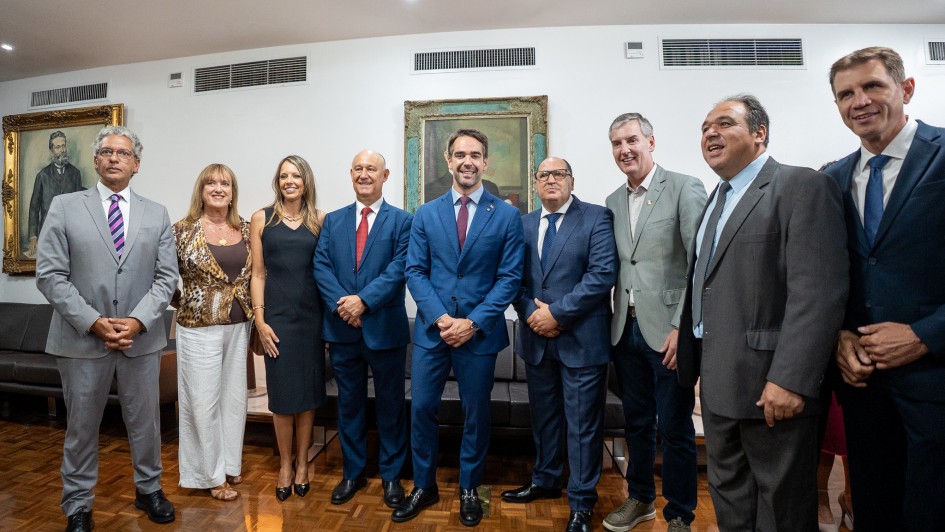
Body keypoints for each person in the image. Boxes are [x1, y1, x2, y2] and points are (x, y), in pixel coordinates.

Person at [675, 95, 848, 531]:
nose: (710, 133)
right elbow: (707, 285)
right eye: (705, 127)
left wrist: (790, 379)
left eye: (724, 123)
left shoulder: (801, 186)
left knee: (781, 511)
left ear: (759, 133)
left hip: (772, 389)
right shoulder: (717, 197)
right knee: (730, 501)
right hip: (718, 386)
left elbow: (817, 293)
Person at [823, 46, 945, 532]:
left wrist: (924, 335)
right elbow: (828, 275)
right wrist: (838, 335)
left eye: (872, 86)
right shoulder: (832, 179)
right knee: (874, 512)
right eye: (845, 94)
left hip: (936, 380)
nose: (859, 101)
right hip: (863, 388)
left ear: (906, 89)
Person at [35, 125, 178, 531]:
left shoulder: (157, 213)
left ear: (136, 164)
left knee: (146, 423)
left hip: (140, 340)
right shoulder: (64, 206)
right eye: (107, 152)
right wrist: (93, 322)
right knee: (81, 428)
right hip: (81, 341)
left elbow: (166, 277)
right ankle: (78, 504)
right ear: (96, 161)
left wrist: (137, 320)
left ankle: (149, 489)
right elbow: (50, 275)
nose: (115, 158)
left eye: (123, 153)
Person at [396, 128, 524, 526]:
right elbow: (415, 271)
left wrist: (472, 322)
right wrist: (441, 318)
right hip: (432, 332)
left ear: (486, 162)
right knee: (422, 409)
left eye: (475, 155)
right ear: (449, 161)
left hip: (479, 335)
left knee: (476, 414)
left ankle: (470, 487)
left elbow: (510, 277)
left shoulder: (506, 215)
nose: (467, 161)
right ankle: (424, 485)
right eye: (460, 155)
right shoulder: (426, 213)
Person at [602, 113, 706, 532]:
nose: (624, 150)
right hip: (623, 331)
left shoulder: (683, 187)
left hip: (668, 332)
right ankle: (640, 498)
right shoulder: (612, 201)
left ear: (651, 142)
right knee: (637, 423)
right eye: (616, 143)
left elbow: (700, 264)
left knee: (675, 427)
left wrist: (683, 328)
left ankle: (679, 514)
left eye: (631, 140)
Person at [502, 157, 617, 532]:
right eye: (544, 175)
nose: (551, 180)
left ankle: (582, 504)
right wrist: (531, 315)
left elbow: (602, 275)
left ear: (572, 180)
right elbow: (513, 279)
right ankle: (545, 479)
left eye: (559, 174)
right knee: (545, 419)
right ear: (536, 183)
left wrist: (557, 314)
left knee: (583, 426)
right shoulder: (523, 224)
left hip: (582, 340)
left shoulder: (597, 217)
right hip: (537, 341)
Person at [314, 150, 412, 508]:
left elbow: (400, 267)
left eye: (372, 169)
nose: (364, 174)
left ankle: (391, 475)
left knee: (391, 406)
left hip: (384, 329)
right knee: (349, 406)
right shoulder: (333, 220)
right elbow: (321, 266)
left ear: (385, 175)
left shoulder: (403, 221)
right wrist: (345, 306)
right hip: (342, 330)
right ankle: (352, 473)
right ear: (351, 174)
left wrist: (363, 302)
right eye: (358, 168)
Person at [172, 163, 252, 501]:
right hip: (198, 328)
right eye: (211, 183)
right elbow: (162, 276)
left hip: (240, 325)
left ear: (233, 192)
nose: (219, 188)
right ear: (201, 191)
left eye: (225, 183)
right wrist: (186, 302)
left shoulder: (247, 229)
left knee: (234, 400)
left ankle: (230, 465)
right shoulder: (182, 230)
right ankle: (208, 475)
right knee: (201, 402)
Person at [250, 155, 326, 501]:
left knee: (307, 397)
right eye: (284, 176)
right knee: (281, 398)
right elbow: (258, 274)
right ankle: (284, 464)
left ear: (305, 181)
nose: (289, 181)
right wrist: (260, 320)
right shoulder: (261, 218)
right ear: (277, 182)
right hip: (276, 320)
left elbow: (324, 272)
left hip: (311, 320)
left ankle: (303, 464)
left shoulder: (319, 220)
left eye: (296, 175)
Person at [27, 130, 84, 258]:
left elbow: (79, 207)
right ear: (51, 150)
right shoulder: (42, 175)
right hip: (47, 234)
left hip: (70, 235)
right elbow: (34, 208)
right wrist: (33, 236)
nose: (62, 150)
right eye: (58, 147)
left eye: (63, 146)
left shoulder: (75, 173)